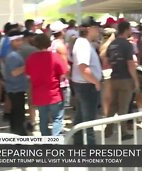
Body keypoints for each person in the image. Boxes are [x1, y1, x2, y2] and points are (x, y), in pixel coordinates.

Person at [26, 34, 67, 136]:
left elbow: (28, 76)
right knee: (57, 119)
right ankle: (57, 142)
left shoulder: (31, 58)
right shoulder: (54, 56)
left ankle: (46, 144)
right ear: (49, 43)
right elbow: (63, 72)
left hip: (39, 94)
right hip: (54, 93)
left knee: (43, 120)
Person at [104, 21, 139, 140]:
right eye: (130, 29)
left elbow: (106, 61)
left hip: (114, 77)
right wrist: (135, 80)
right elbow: (130, 64)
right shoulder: (127, 45)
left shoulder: (112, 44)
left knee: (112, 105)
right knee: (123, 107)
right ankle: (123, 132)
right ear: (127, 29)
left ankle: (108, 130)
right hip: (125, 79)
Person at [71, 16, 102, 145]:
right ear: (90, 29)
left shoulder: (82, 43)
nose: (98, 31)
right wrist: (96, 82)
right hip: (87, 86)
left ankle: (78, 143)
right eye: (96, 28)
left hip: (83, 85)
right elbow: (83, 68)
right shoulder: (83, 44)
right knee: (89, 120)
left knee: (81, 118)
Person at [5, 30, 28, 136]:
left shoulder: (14, 53)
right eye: (17, 41)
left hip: (16, 88)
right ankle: (20, 137)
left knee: (15, 113)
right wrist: (28, 66)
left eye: (20, 40)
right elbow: (14, 72)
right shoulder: (13, 55)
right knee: (19, 114)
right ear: (11, 41)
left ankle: (15, 134)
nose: (20, 43)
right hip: (15, 89)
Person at [18, 30, 38, 131]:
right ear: (27, 37)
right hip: (31, 78)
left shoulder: (17, 49)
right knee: (32, 101)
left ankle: (24, 120)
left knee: (21, 101)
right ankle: (32, 121)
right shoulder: (33, 50)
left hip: (18, 78)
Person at [49, 21, 70, 107]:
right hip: (61, 81)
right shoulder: (60, 46)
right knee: (60, 109)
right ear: (61, 31)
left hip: (54, 79)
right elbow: (65, 66)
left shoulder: (51, 44)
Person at [99, 27, 116, 117]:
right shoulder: (106, 45)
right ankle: (107, 114)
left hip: (106, 71)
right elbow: (105, 60)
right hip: (107, 72)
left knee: (108, 95)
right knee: (108, 95)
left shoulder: (103, 44)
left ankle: (107, 113)